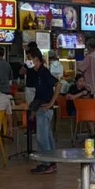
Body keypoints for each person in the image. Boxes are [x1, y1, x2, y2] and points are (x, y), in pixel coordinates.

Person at [27, 45, 58, 174]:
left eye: (30, 59)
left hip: (45, 109)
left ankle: (47, 163)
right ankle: (51, 161)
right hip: (40, 107)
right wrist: (33, 111)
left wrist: (51, 103)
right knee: (48, 137)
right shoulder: (36, 74)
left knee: (42, 137)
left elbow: (58, 84)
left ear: (37, 60)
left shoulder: (44, 72)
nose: (28, 62)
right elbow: (38, 94)